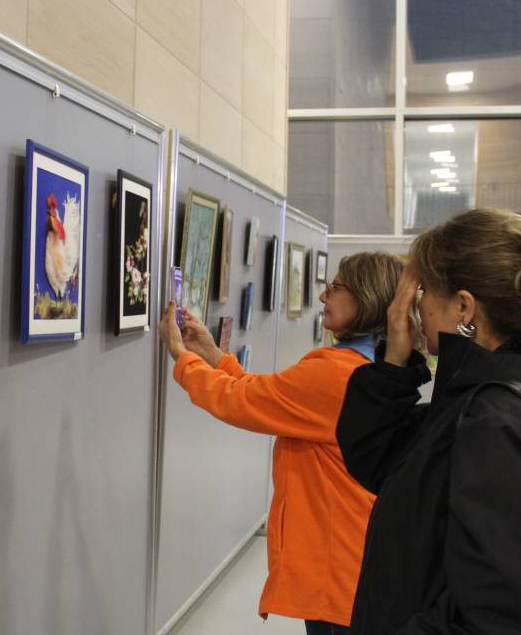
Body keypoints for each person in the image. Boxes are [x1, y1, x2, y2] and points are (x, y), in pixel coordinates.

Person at [335, 208, 521, 634]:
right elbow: (385, 461)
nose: (415, 309)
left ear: (464, 307)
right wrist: (396, 361)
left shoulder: (499, 416)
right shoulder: (490, 391)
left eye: (424, 293)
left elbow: (500, 611)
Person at [157, 251, 404, 635]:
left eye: (335, 288)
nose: (323, 297)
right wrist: (212, 355)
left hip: (337, 569)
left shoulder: (337, 375)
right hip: (358, 558)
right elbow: (269, 396)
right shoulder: (372, 369)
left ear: (366, 297)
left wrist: (180, 356)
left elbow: (241, 402)